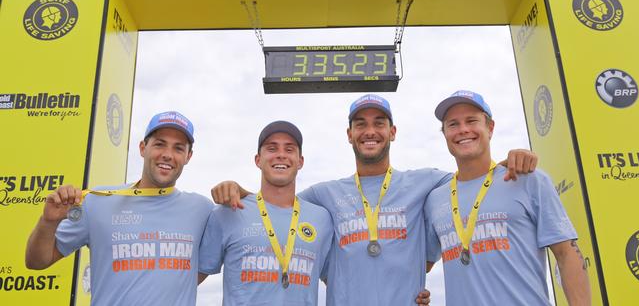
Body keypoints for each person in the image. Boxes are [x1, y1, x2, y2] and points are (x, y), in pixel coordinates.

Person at [212, 94, 538, 306]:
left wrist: (511, 159)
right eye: (361, 125)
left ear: (392, 132)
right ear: (349, 134)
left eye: (379, 123)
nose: (370, 131)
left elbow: (473, 177)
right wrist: (238, 191)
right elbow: (276, 201)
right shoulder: (323, 196)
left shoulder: (428, 183)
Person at [25, 111, 213, 306]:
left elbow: (207, 265)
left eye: (178, 148)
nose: (167, 154)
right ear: (142, 148)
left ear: (188, 156)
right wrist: (48, 222)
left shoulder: (202, 210)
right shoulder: (96, 202)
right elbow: (36, 262)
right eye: (159, 144)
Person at [424, 90, 590, 305]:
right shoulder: (435, 199)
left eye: (472, 120)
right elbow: (420, 264)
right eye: (453, 124)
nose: (463, 129)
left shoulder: (528, 180)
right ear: (445, 133)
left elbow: (567, 254)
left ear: (490, 128)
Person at [199, 121, 333, 305]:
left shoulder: (322, 219)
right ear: (258, 160)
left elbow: (335, 280)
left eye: (289, 149)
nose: (280, 155)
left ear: (300, 161)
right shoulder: (228, 212)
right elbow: (190, 280)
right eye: (272, 148)